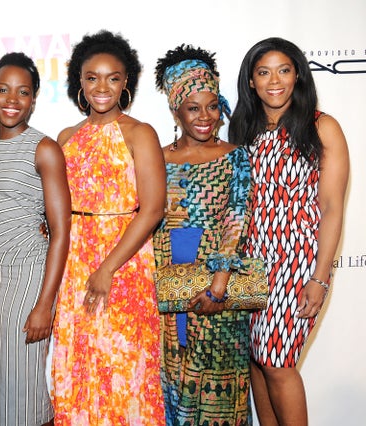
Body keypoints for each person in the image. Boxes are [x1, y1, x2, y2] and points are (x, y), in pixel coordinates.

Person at [229, 37, 349, 425]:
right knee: (256, 362)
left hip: (297, 262)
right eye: (263, 72)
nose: (274, 81)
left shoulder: (321, 127)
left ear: (297, 74)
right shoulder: (244, 129)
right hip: (250, 263)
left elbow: (331, 208)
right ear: (251, 81)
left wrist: (320, 277)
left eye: (283, 70)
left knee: (277, 362)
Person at [50, 30, 167, 424]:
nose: (102, 87)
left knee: (123, 366)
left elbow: (151, 210)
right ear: (79, 83)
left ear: (126, 82)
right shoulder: (66, 138)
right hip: (73, 265)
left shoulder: (140, 133)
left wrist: (107, 269)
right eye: (92, 77)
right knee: (78, 363)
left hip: (123, 262)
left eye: (113, 77)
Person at [154, 44, 253, 425]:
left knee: (219, 393)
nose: (205, 116)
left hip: (217, 286)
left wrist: (219, 286)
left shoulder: (236, 156)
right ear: (175, 110)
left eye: (213, 105)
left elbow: (236, 220)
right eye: (193, 108)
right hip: (167, 286)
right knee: (173, 388)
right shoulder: (155, 157)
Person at [0, 52, 71, 426]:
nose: (12, 100)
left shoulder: (44, 148)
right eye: (3, 90)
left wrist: (45, 304)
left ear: (33, 99)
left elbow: (61, 231)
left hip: (28, 278)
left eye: (23, 92)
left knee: (25, 388)